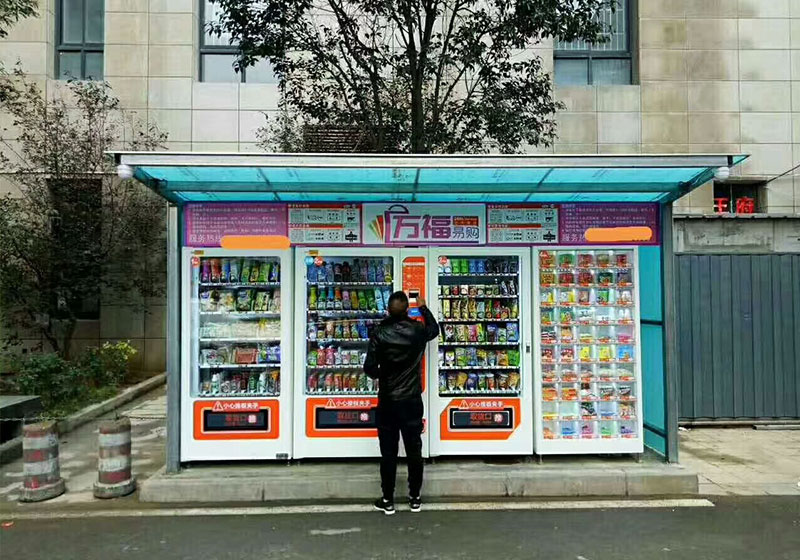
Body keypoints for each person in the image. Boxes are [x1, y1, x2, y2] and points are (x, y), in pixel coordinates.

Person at [364, 291, 439, 515]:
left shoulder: (380, 332)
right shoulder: (417, 330)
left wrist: (384, 374)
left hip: (388, 401)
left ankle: (388, 499)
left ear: (388, 310)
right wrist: (423, 307)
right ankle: (415, 498)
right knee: (414, 450)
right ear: (408, 309)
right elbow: (434, 330)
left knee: (388, 452)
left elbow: (369, 368)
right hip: (411, 400)